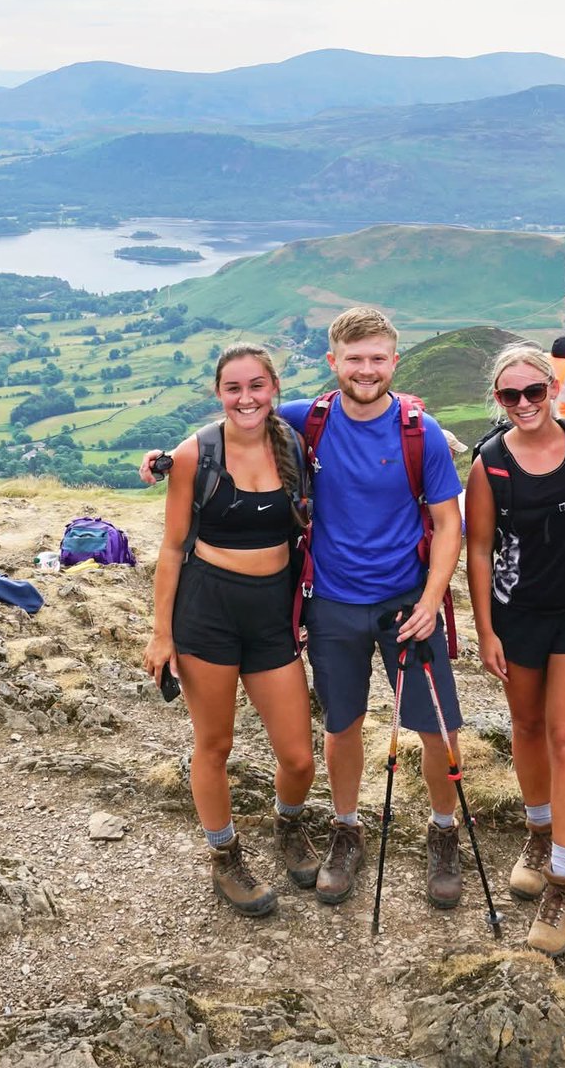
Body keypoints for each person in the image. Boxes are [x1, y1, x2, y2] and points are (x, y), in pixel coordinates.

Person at [143, 307, 465, 912]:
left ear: (395, 361)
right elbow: (230, 430)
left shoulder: (415, 430)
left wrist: (429, 601)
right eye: (354, 359)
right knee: (338, 728)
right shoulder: (303, 422)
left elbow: (450, 524)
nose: (365, 370)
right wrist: (164, 459)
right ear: (332, 364)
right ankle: (341, 831)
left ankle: (443, 834)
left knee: (433, 730)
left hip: (401, 604)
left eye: (377, 359)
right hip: (325, 605)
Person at [142, 344, 319, 918]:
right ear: (218, 394)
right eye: (233, 388)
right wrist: (161, 634)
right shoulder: (196, 454)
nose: (246, 398)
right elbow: (171, 547)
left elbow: (354, 401)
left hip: (271, 613)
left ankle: (287, 825)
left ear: (275, 389)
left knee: (298, 757)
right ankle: (225, 856)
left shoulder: (292, 438)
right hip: (208, 610)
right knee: (214, 745)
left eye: (257, 386)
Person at [465, 342, 565, 956]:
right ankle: (538, 830)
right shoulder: (489, 463)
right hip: (517, 614)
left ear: (552, 388)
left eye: (535, 391)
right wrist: (485, 630)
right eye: (510, 395)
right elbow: (476, 548)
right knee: (526, 725)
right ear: (497, 400)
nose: (524, 403)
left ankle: (562, 879)